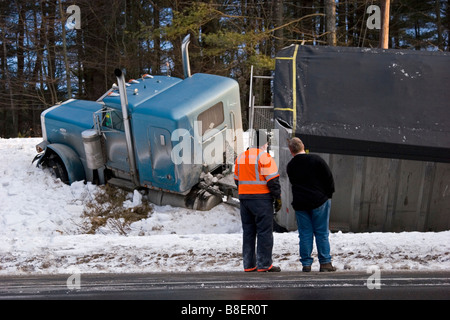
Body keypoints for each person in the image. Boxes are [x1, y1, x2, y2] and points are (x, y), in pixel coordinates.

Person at [234, 130, 282, 272]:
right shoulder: (264, 157)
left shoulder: (241, 157)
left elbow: (237, 179)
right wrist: (277, 198)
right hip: (261, 199)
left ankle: (249, 265)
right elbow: (273, 181)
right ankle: (264, 264)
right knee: (264, 232)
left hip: (244, 200)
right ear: (264, 143)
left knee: (248, 232)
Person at [286, 137, 336, 272]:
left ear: (291, 151)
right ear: (303, 147)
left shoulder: (291, 165)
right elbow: (329, 178)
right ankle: (325, 263)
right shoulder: (316, 160)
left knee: (305, 234)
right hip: (319, 201)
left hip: (301, 204)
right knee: (321, 233)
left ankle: (306, 264)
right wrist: (328, 195)